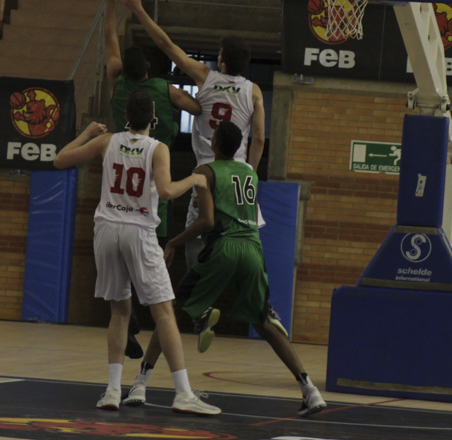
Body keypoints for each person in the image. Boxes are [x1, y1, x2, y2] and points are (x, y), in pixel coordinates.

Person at [122, 122, 327, 417]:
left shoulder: (206, 172)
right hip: (253, 249)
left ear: (215, 143)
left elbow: (206, 221)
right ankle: (310, 390)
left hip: (225, 246)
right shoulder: (250, 174)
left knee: (170, 309)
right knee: (264, 320)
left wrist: (175, 243)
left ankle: (140, 382)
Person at [53, 90, 220, 415]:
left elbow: (60, 159)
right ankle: (183, 393)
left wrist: (86, 132)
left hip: (106, 230)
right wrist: (195, 178)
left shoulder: (108, 141)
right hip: (139, 230)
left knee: (119, 312)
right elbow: (168, 191)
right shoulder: (157, 148)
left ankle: (113, 390)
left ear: (125, 117)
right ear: (153, 120)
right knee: (164, 312)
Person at [118, 0, 266, 269]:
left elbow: (166, 45)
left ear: (222, 61)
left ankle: (200, 302)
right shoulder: (255, 91)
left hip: (206, 174)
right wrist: (251, 172)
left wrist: (138, 10)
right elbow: (259, 138)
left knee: (195, 242)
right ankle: (258, 299)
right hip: (238, 176)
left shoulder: (205, 76)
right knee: (248, 239)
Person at [100, 0, 203, 358]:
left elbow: (109, 36)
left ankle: (128, 320)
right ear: (152, 73)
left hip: (116, 178)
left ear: (127, 73)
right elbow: (197, 106)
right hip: (154, 182)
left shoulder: (115, 78)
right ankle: (162, 312)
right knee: (156, 255)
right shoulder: (167, 89)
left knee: (119, 254)